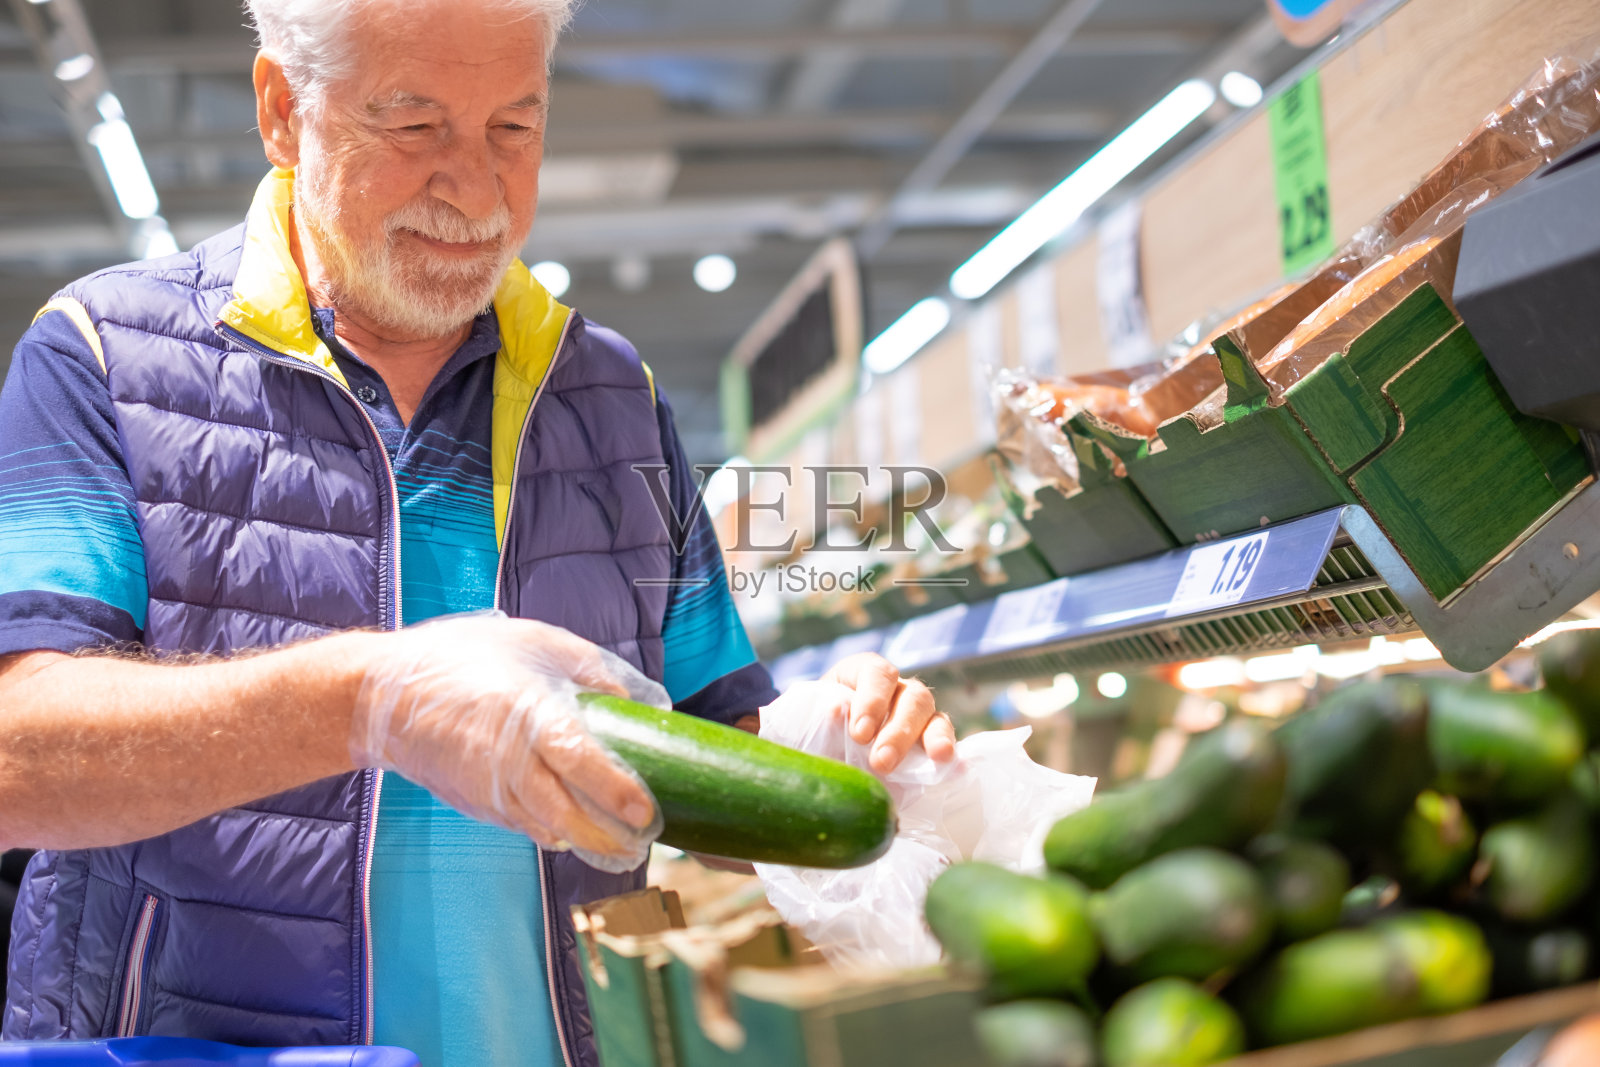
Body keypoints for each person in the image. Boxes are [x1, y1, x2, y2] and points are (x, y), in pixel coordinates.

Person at [0, 0, 955, 1063]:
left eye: (514, 127)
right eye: (412, 127)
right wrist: (370, 700)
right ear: (281, 110)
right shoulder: (104, 357)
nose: (475, 187)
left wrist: (833, 750)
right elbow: (17, 754)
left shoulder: (611, 396)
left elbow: (706, 742)